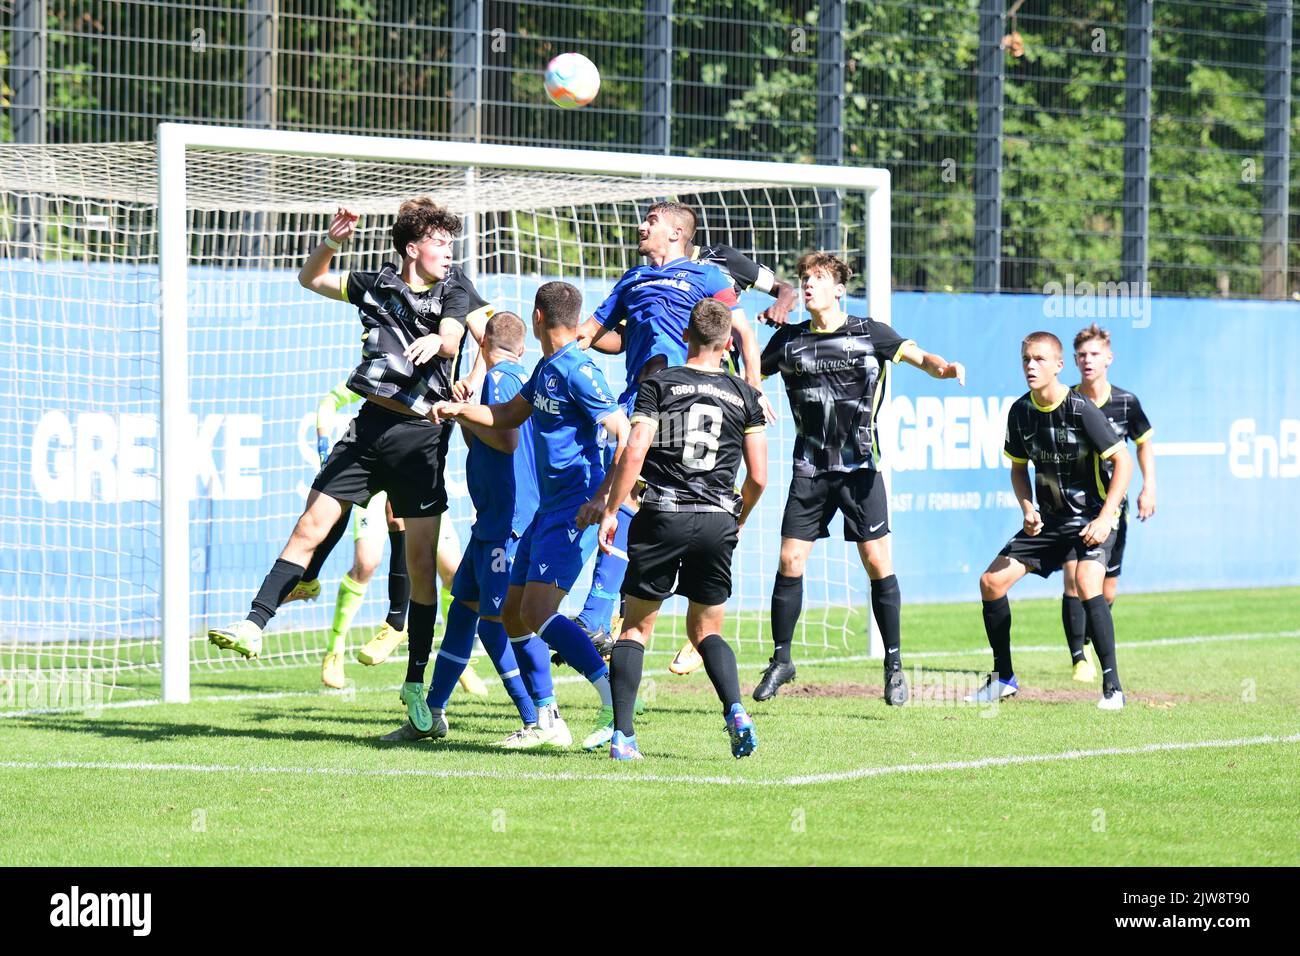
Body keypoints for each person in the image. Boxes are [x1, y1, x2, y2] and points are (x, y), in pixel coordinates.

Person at [208, 198, 493, 737]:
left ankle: (416, 686)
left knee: (420, 565)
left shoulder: (455, 288)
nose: (449, 252)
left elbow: (465, 332)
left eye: (451, 243)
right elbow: (310, 278)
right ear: (413, 248)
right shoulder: (374, 284)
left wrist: (459, 357)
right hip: (366, 430)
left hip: (421, 440)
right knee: (310, 527)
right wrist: (332, 241)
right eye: (440, 242)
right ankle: (253, 624)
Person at [754, 252, 966, 705]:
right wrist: (752, 389)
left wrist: (943, 368)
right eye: (803, 279)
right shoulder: (789, 341)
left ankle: (893, 665)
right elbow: (748, 371)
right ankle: (782, 659)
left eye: (817, 279)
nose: (807, 285)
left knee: (876, 562)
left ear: (838, 290)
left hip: (861, 471)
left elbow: (918, 355)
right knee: (790, 560)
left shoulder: (870, 333)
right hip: (809, 470)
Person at [430, 281, 631, 750]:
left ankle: (612, 700)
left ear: (538, 317)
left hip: (573, 510)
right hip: (547, 509)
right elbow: (504, 418)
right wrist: (458, 408)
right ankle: (546, 720)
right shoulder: (545, 368)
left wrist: (604, 500)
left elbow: (623, 435)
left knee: (537, 612)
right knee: (516, 616)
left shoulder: (581, 369)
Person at [599, 299, 768, 760]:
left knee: (635, 628)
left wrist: (613, 509)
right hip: (717, 520)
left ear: (685, 338)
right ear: (728, 343)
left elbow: (635, 451)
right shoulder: (747, 397)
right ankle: (735, 709)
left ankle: (624, 737)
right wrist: (739, 516)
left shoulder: (659, 385)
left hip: (662, 515)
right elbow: (758, 478)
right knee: (706, 629)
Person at [380, 312, 559, 742]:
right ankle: (433, 714)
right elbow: (486, 439)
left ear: (483, 346)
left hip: (508, 522)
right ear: (522, 345)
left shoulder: (501, 380)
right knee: (463, 611)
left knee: (498, 622)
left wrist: (461, 410)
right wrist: (465, 414)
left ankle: (542, 718)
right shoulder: (515, 378)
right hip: (492, 523)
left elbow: (506, 439)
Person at [970, 331, 1132, 710]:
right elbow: (1017, 469)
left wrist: (1107, 518)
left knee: (1087, 580)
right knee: (991, 583)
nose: (1030, 365)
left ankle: (1113, 688)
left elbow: (1122, 462)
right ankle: (1003, 678)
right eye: (1026, 358)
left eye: (1040, 359)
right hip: (1050, 524)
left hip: (1091, 518)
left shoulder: (1081, 409)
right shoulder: (1020, 412)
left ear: (1059, 365)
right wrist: (1027, 508)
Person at [1060, 324, 1155, 681]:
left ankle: (1088, 634)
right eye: (1082, 355)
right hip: (1072, 506)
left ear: (1108, 358)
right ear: (1073, 360)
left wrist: (1150, 487)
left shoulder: (1126, 402)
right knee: (1074, 577)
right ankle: (1079, 657)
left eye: (1094, 354)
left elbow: (1143, 444)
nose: (1088, 360)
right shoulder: (1065, 400)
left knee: (1106, 587)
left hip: (1112, 509)